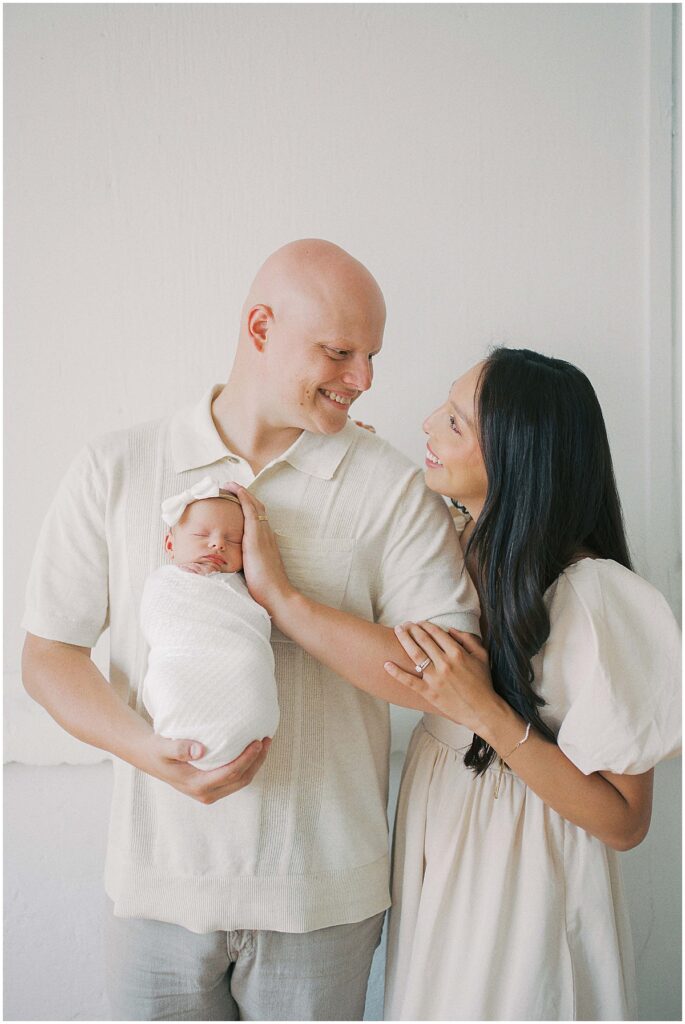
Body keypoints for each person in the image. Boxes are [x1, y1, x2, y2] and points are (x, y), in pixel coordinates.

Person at [21, 238, 480, 1021]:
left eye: (370, 356)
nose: (363, 379)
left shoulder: (390, 484)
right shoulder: (118, 465)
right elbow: (47, 655)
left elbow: (455, 681)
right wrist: (148, 754)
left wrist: (288, 604)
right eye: (339, 351)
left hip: (322, 898)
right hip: (155, 891)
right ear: (260, 327)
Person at [230, 348, 681, 1021]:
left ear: (518, 458)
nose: (425, 427)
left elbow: (623, 822)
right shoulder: (449, 553)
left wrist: (488, 714)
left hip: (525, 879)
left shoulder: (599, 600)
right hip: (445, 854)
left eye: (455, 424)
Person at [141, 477, 279, 772]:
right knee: (170, 676)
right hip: (182, 662)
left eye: (233, 541)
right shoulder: (166, 582)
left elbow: (253, 621)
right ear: (170, 544)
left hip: (240, 668)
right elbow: (158, 617)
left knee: (246, 663)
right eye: (201, 534)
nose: (217, 543)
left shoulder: (245, 587)